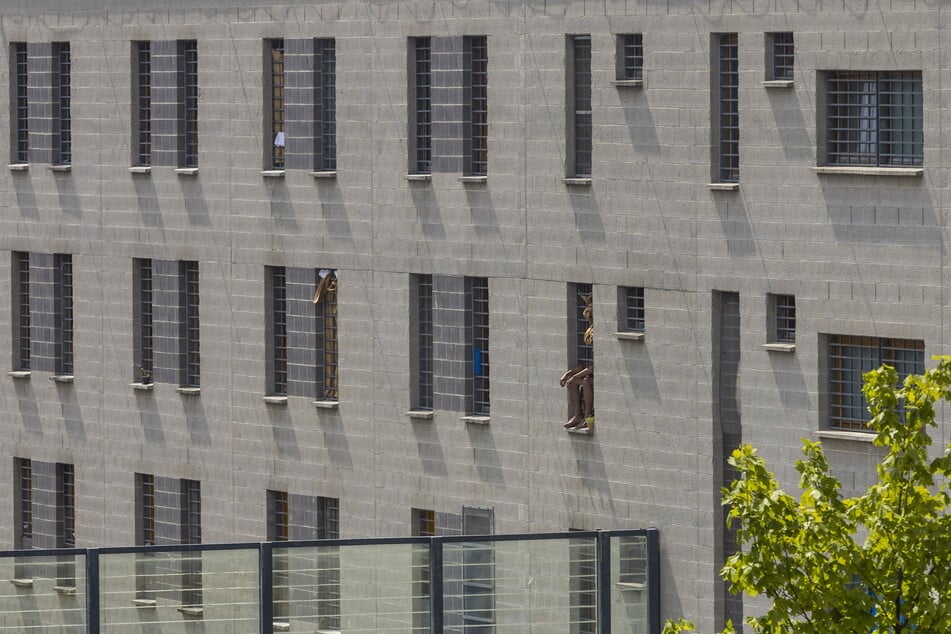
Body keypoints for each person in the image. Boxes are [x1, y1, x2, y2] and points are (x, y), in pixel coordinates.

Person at [561, 304, 594, 431]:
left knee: (585, 382)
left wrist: (575, 376)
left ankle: (588, 416)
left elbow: (593, 368)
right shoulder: (589, 347)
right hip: (589, 375)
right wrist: (568, 374)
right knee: (571, 383)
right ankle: (577, 415)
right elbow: (585, 364)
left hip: (598, 378)